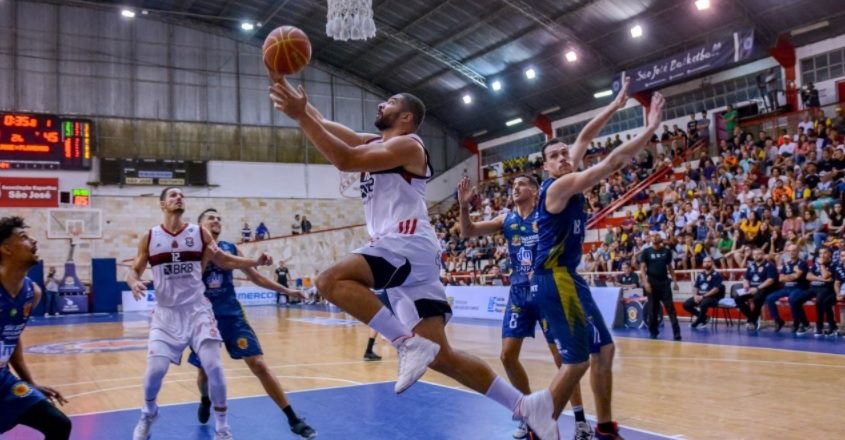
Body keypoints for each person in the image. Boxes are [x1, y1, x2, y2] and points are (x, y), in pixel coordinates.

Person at [269, 77, 548, 434]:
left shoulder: (409, 146)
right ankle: (525, 405)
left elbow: (345, 159)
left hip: (405, 244)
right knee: (442, 357)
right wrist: (299, 106)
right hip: (411, 256)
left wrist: (302, 117)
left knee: (330, 281)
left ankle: (404, 343)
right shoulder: (377, 142)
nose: (380, 105)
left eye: (389, 101)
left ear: (406, 118)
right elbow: (325, 126)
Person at [525, 82, 664, 440]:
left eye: (563, 153)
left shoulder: (566, 173)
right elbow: (612, 161)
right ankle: (538, 425)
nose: (562, 157)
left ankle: (604, 428)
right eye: (554, 156)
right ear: (545, 167)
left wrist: (616, 105)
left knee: (604, 350)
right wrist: (648, 130)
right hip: (553, 278)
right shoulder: (557, 187)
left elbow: (585, 136)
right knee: (578, 360)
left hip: (569, 277)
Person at [126, 187, 274, 440]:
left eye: (181, 194)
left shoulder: (198, 233)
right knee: (154, 373)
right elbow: (134, 270)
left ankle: (223, 428)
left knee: (214, 367)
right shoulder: (150, 237)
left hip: (197, 310)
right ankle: (149, 413)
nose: (178, 197)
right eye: (172, 195)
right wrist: (133, 282)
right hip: (166, 314)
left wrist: (254, 262)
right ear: (162, 204)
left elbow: (224, 260)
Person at [457, 174, 591, 439]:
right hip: (519, 292)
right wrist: (463, 206)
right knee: (507, 356)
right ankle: (530, 412)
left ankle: (580, 421)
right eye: (513, 185)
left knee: (563, 359)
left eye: (521, 184)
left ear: (534, 190)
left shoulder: (546, 215)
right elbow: (467, 231)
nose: (515, 188)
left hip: (545, 288)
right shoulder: (507, 219)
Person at [188, 208, 315, 438]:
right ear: (200, 225)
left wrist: (286, 290)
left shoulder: (230, 247)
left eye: (219, 218)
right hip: (203, 318)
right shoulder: (194, 249)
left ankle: (293, 419)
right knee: (204, 372)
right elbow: (216, 264)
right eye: (211, 218)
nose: (216, 220)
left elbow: (255, 276)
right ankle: (205, 399)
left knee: (259, 364)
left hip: (232, 315)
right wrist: (254, 259)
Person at [0, 217, 72, 440]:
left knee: (58, 425)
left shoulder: (33, 292)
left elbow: (14, 337)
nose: (33, 242)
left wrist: (29, 383)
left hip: (3, 379)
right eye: (23, 238)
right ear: (6, 249)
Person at [639, 234, 682, 340]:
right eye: (652, 236)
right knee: (652, 310)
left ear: (660, 239)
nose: (654, 237)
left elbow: (670, 268)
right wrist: (645, 283)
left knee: (670, 308)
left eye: (656, 236)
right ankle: (653, 332)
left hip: (664, 283)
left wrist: (675, 281)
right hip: (652, 283)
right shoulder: (646, 251)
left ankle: (676, 333)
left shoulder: (666, 251)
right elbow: (642, 270)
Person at [763, 244, 807, 332]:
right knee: (769, 298)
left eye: (794, 250)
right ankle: (778, 320)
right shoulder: (786, 264)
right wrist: (792, 276)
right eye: (789, 251)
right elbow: (781, 278)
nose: (791, 253)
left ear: (797, 252)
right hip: (786, 288)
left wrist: (789, 277)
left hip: (799, 288)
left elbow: (797, 276)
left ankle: (796, 322)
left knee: (792, 299)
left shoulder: (802, 263)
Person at [736, 247, 778, 331]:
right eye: (754, 254)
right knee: (738, 298)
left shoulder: (769, 265)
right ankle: (752, 317)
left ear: (763, 255)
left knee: (757, 298)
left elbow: (770, 281)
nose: (756, 256)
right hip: (752, 289)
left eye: (758, 254)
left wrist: (757, 288)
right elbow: (746, 278)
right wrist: (746, 284)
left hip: (766, 289)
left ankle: (752, 320)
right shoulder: (751, 265)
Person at [682, 257, 724, 328]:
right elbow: (695, 287)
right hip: (700, 296)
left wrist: (703, 296)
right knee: (686, 304)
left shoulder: (717, 275)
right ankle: (704, 317)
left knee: (703, 303)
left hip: (713, 298)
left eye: (708, 262)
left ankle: (697, 322)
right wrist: (695, 296)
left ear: (712, 263)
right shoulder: (700, 275)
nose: (706, 263)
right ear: (702, 263)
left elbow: (716, 289)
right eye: (704, 262)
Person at [806, 247, 838, 337]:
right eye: (820, 253)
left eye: (824, 253)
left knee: (821, 301)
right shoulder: (816, 264)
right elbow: (808, 276)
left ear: (830, 254)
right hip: (814, 287)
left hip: (829, 289)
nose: (822, 255)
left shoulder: (834, 264)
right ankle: (805, 324)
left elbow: (825, 276)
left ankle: (820, 325)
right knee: (796, 298)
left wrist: (821, 265)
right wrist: (819, 278)